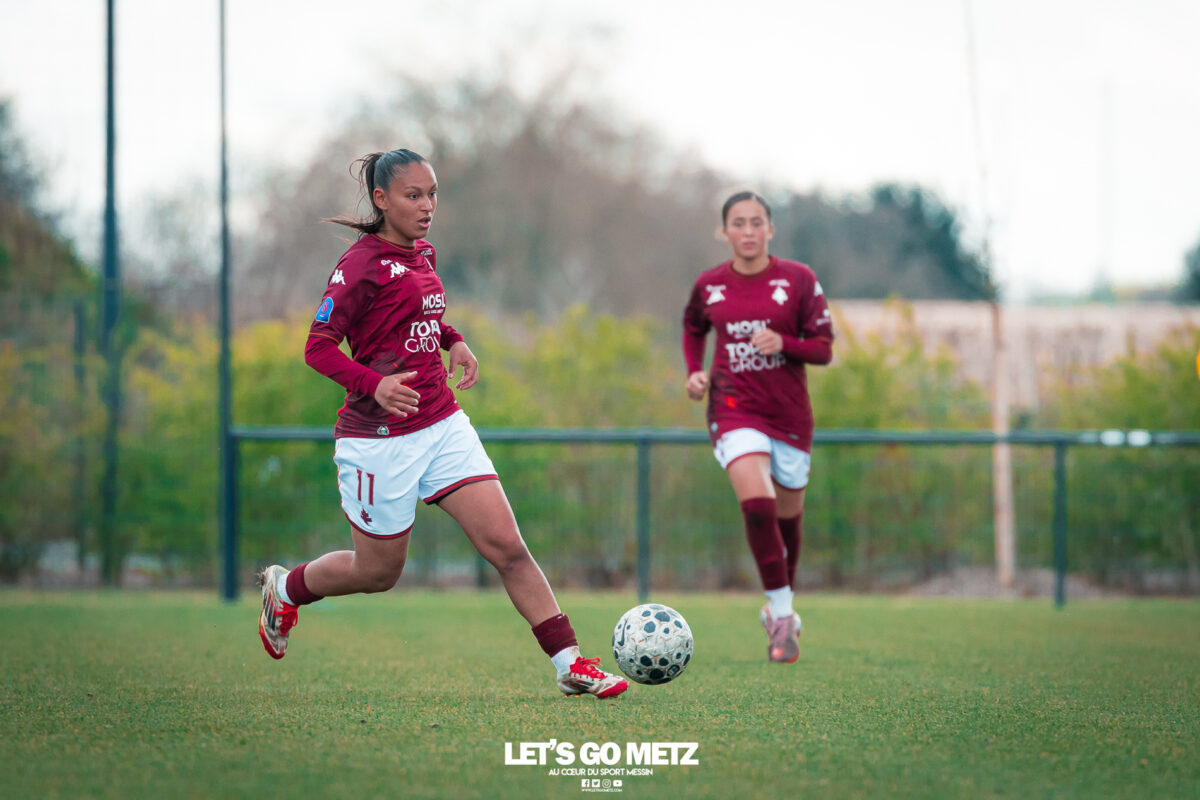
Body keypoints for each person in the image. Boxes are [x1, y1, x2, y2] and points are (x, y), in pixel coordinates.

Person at [257, 148, 627, 699]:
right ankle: (287, 588)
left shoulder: (422, 253)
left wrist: (453, 339)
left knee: (507, 546)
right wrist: (374, 384)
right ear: (381, 199)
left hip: (441, 422)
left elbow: (419, 316)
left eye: (432, 194)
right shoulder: (359, 265)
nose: (427, 206)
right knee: (377, 573)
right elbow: (318, 348)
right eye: (413, 195)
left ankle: (570, 663)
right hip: (379, 439)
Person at [681, 190, 834, 664]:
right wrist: (695, 371)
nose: (747, 231)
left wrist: (784, 343)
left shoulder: (799, 279)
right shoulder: (710, 285)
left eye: (756, 222)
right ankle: (783, 616)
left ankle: (778, 603)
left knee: (787, 522)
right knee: (757, 504)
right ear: (723, 231)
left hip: (789, 415)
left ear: (770, 229)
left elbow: (824, 348)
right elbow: (693, 326)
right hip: (733, 408)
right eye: (738, 223)